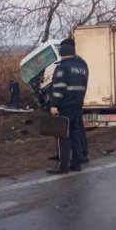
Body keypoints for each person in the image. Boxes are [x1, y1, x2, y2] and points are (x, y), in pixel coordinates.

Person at [46, 38, 89, 174]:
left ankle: (62, 166)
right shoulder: (81, 66)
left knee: (62, 136)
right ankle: (77, 163)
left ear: (62, 53)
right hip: (77, 105)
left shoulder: (62, 67)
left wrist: (54, 105)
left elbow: (59, 88)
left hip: (65, 106)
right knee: (76, 134)